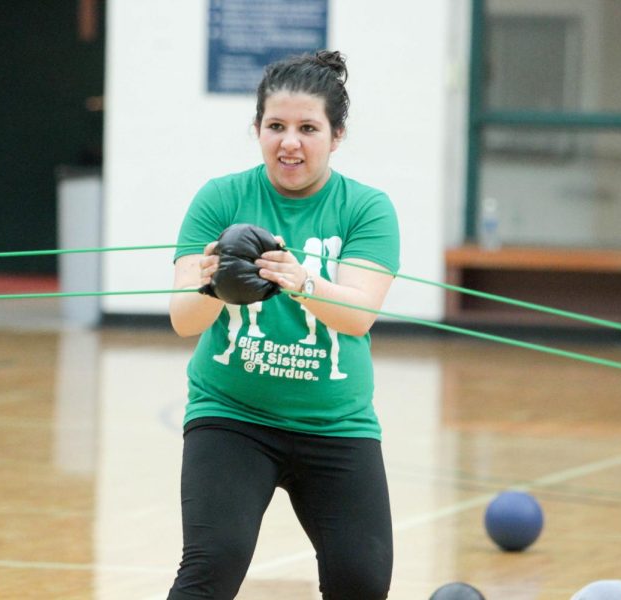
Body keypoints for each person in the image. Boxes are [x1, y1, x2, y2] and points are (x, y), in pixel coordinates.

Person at [167, 50, 400, 600]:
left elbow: (359, 314)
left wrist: (301, 281)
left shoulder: (367, 209)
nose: (289, 142)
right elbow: (182, 319)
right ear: (256, 129)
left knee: (362, 582)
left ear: (336, 135)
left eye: (307, 128)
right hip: (232, 416)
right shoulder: (220, 198)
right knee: (211, 565)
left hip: (336, 424)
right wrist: (213, 285)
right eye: (275, 126)